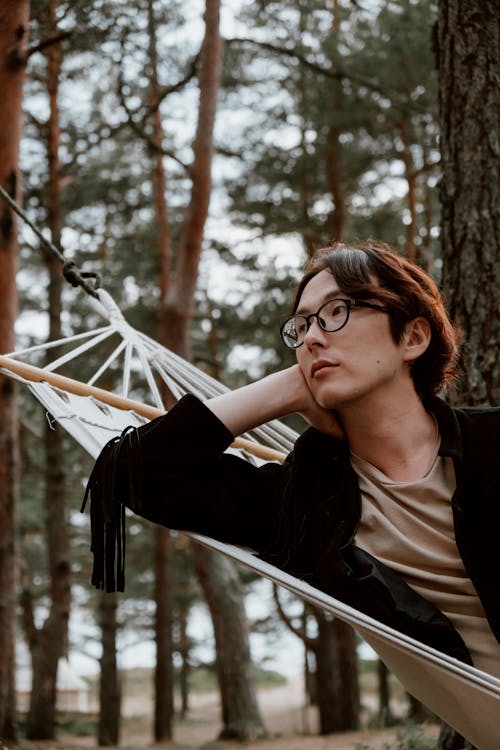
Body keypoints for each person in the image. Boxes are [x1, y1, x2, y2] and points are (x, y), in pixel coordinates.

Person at [84, 239, 500, 680]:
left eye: (337, 311)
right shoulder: (307, 505)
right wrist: (283, 390)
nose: (313, 338)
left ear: (413, 337)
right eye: (300, 329)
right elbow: (131, 474)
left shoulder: (491, 443)